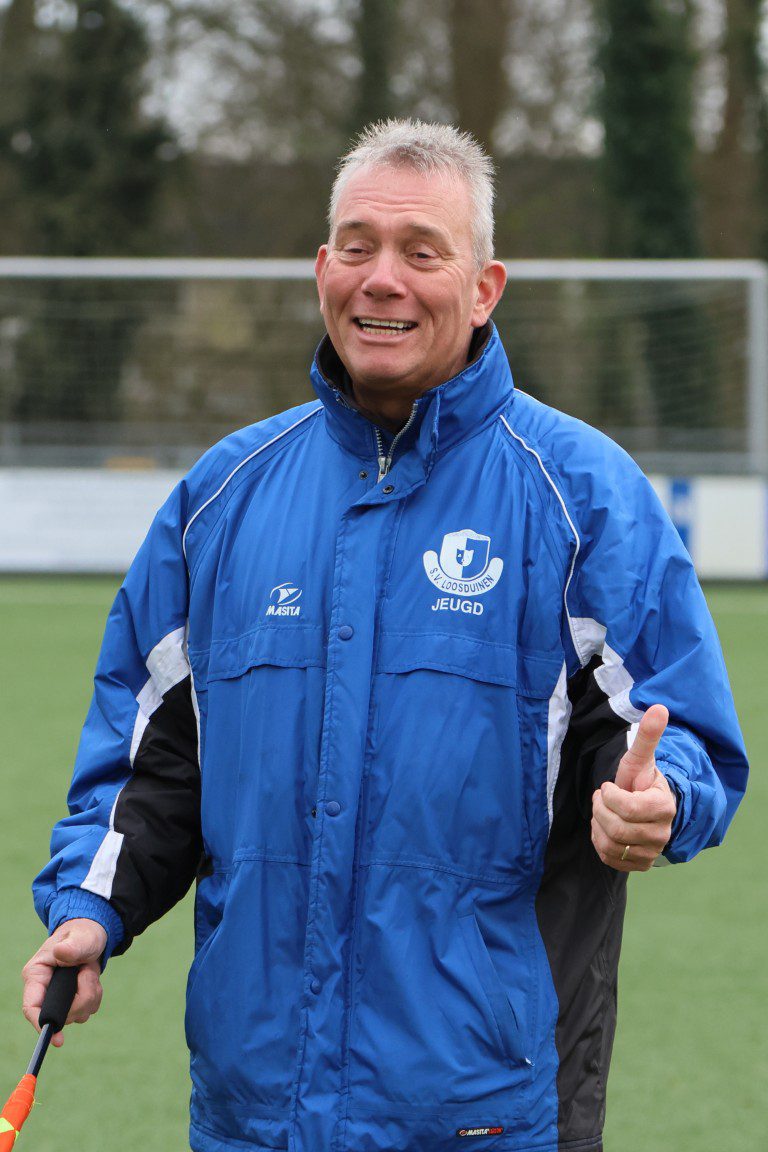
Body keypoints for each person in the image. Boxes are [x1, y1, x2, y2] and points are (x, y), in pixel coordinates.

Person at [23, 120, 747, 1152]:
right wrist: (91, 912)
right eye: (357, 247)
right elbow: (153, 762)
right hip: (253, 1110)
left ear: (485, 288)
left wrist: (660, 801)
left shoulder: (584, 497)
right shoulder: (221, 498)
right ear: (322, 269)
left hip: (491, 1112)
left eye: (421, 252)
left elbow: (676, 734)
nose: (382, 279)